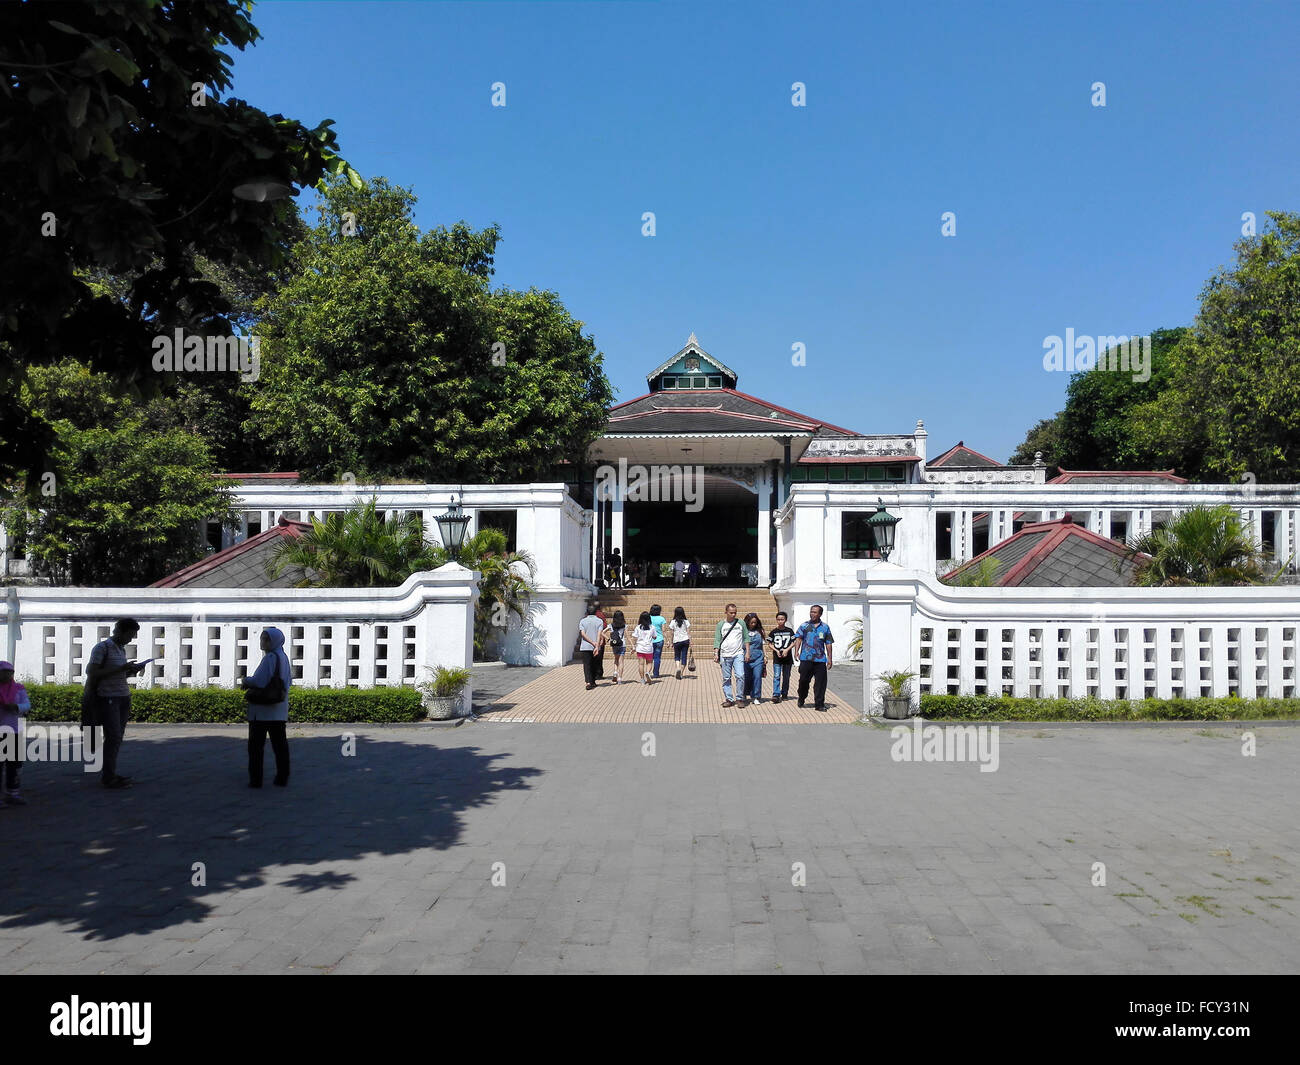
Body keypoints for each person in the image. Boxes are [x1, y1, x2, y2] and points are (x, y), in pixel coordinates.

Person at [84, 618, 147, 789]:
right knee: (113, 737)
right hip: (107, 698)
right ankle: (108, 776)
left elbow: (116, 675)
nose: (131, 639)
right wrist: (121, 669)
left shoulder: (121, 650)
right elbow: (91, 672)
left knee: (116, 738)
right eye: (130, 635)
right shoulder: (102, 648)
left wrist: (130, 671)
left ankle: (110, 773)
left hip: (123, 696)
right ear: (119, 631)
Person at [240, 627, 292, 787]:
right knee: (280, 746)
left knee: (256, 747)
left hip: (262, 711)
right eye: (263, 638)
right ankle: (282, 777)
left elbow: (260, 681)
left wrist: (246, 680)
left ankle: (256, 780)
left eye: (266, 639)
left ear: (273, 641)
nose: (263, 642)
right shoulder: (283, 657)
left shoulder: (270, 658)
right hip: (278, 710)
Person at [792, 604, 834, 712]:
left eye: (815, 612)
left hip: (820, 659)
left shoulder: (825, 627)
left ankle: (819, 704)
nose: (812, 614)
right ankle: (801, 697)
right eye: (811, 611)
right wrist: (796, 651)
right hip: (806, 658)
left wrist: (830, 659)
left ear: (820, 614)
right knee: (804, 681)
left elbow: (828, 643)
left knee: (820, 683)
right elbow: (799, 639)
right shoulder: (804, 626)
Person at [0, 661, 32, 806]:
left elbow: (26, 705)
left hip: (14, 731)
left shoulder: (18, 688)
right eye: (4, 672)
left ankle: (12, 793)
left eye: (10, 672)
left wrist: (16, 706)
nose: (7, 675)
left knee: (15, 765)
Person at [713, 603, 746, 708]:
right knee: (726, 677)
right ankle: (729, 698)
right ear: (726, 612)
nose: (733, 615)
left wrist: (748, 652)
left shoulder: (741, 623)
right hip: (725, 654)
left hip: (738, 653)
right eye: (731, 613)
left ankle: (740, 698)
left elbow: (746, 638)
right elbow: (717, 639)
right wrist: (716, 653)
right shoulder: (721, 624)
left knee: (740, 675)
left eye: (735, 613)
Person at [767, 611, 796, 704]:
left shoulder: (790, 631)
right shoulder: (773, 632)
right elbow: (769, 644)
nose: (780, 621)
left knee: (786, 676)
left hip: (787, 659)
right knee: (776, 676)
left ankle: (784, 693)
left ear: (785, 620)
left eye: (782, 619)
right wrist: (776, 650)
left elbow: (794, 642)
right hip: (777, 658)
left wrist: (787, 650)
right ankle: (776, 694)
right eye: (778, 619)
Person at [576, 604, 605, 690]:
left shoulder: (582, 621)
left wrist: (591, 642)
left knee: (587, 664)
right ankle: (593, 681)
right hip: (596, 646)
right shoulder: (599, 621)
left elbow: (583, 634)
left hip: (585, 646)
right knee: (594, 664)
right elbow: (599, 633)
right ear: (596, 612)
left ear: (587, 612)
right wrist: (596, 644)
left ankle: (588, 682)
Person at [740, 613, 766, 707]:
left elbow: (762, 645)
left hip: (758, 657)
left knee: (757, 676)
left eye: (755, 622)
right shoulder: (743, 631)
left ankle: (756, 696)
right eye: (751, 623)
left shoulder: (760, 631)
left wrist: (765, 656)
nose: (753, 624)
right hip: (745, 657)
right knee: (745, 677)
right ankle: (744, 694)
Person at [631, 611, 656, 684]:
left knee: (641, 664)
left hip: (640, 648)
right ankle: (647, 672)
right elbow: (654, 637)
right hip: (648, 648)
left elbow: (634, 637)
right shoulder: (652, 627)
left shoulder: (638, 627)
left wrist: (633, 647)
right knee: (649, 662)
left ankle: (642, 679)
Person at [668, 606, 691, 679]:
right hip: (685, 640)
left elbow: (671, 633)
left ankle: (678, 667)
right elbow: (688, 632)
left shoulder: (673, 622)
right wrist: (690, 641)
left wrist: (671, 642)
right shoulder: (686, 621)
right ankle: (681, 673)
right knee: (684, 656)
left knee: (677, 656)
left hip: (676, 641)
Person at [606, 610, 627, 684]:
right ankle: (620, 679)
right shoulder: (624, 625)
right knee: (621, 662)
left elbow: (602, 632)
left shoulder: (611, 625)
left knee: (616, 659)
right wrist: (633, 646)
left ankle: (615, 672)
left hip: (614, 644)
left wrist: (608, 639)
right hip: (622, 644)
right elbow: (627, 636)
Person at [649, 604, 666, 678]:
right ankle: (656, 673)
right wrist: (668, 640)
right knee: (657, 657)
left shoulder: (648, 618)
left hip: (649, 640)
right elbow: (664, 630)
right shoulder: (661, 619)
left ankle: (648, 671)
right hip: (659, 640)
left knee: (649, 658)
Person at [592, 603, 607, 681]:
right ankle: (599, 673)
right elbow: (604, 627)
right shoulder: (601, 615)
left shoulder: (588, 617)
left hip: (591, 640)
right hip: (600, 639)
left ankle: (593, 673)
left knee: (592, 658)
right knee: (599, 658)